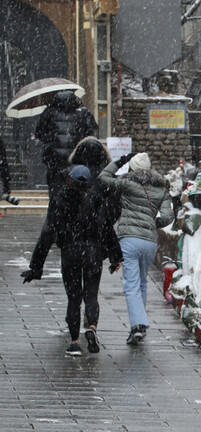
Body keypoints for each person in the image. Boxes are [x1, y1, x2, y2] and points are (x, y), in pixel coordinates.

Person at [21, 165, 122, 356]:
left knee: (74, 298)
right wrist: (115, 257)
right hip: (93, 253)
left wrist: (36, 266)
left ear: (70, 180)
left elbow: (47, 234)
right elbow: (106, 228)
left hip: (70, 253)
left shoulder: (59, 200)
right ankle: (91, 326)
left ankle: (75, 342)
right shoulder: (96, 199)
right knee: (91, 295)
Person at [98, 152, 175, 345]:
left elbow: (103, 178)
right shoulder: (161, 188)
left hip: (129, 240)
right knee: (141, 282)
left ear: (132, 168)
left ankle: (138, 326)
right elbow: (168, 217)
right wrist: (150, 223)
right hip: (149, 242)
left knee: (130, 284)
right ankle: (139, 325)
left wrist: (119, 161)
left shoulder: (127, 184)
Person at [33, 90, 98, 198]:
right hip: (77, 160)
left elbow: (39, 133)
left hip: (55, 160)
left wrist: (50, 142)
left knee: (56, 192)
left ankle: (56, 210)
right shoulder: (84, 112)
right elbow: (92, 134)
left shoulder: (49, 112)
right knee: (78, 192)